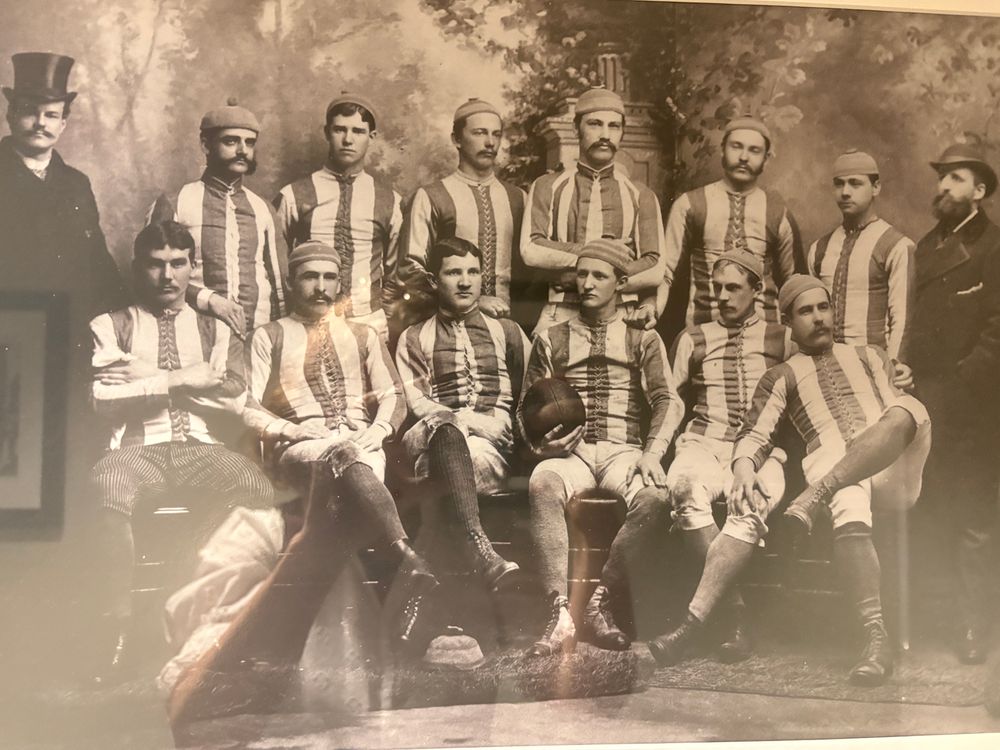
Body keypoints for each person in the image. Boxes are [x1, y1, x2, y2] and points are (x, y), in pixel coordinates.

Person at [654, 274, 931, 686]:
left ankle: (816, 494)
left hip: (894, 470)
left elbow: (900, 414)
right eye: (806, 311)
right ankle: (876, 637)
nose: (818, 318)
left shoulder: (872, 355)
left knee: (908, 406)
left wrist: (904, 379)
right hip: (836, 469)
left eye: (824, 308)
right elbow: (754, 434)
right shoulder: (781, 375)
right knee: (842, 482)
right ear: (788, 321)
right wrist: (744, 466)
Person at [88, 221, 274, 678]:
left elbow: (233, 397)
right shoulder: (110, 324)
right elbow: (103, 400)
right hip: (135, 452)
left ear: (192, 268)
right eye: (155, 265)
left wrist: (142, 377)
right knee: (106, 484)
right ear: (138, 269)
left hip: (201, 447)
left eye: (177, 264)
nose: (167, 277)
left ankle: (195, 607)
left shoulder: (215, 329)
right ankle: (115, 630)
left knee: (254, 486)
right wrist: (182, 377)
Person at [243, 239, 438, 654]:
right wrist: (290, 431)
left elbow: (394, 394)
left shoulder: (363, 335)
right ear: (292, 282)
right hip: (303, 448)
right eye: (310, 276)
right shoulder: (270, 335)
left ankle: (289, 637)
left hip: (362, 444)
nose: (320, 287)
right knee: (342, 467)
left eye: (329, 277)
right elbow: (246, 404)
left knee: (336, 512)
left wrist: (381, 429)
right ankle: (405, 559)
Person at [520, 238, 682, 656]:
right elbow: (527, 405)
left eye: (599, 275)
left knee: (655, 496)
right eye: (582, 274)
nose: (587, 283)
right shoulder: (551, 337)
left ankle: (596, 600)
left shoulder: (642, 339)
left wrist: (651, 453)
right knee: (542, 483)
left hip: (622, 449)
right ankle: (559, 614)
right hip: (569, 453)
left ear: (622, 282)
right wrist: (542, 445)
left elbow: (667, 400)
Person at [656, 250, 793, 664]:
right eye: (717, 288)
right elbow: (670, 399)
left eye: (734, 287)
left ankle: (697, 620)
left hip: (761, 450)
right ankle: (733, 611)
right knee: (683, 488)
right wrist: (655, 450)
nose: (723, 296)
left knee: (749, 504)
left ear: (757, 290)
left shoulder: (782, 336)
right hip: (703, 441)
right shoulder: (693, 337)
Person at [908, 143, 1000, 664]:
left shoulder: (994, 246)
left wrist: (965, 381)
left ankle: (972, 625)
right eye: (941, 177)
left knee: (973, 518)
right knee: (931, 507)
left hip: (975, 405)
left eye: (956, 178)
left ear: (979, 191)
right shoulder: (924, 246)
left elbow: (998, 329)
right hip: (925, 397)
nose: (943, 187)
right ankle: (934, 615)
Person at [395, 237, 530, 590]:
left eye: (473, 271)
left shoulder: (508, 332)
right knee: (445, 433)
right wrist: (468, 420)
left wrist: (504, 426)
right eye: (454, 272)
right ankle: (482, 555)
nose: (466, 281)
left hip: (490, 450)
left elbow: (527, 392)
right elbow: (418, 402)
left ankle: (434, 596)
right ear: (434, 281)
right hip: (429, 435)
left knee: (443, 476)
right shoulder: (413, 336)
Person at [520, 87, 665, 335]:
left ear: (622, 133)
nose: (605, 135)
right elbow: (531, 249)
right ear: (577, 129)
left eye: (614, 126)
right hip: (561, 312)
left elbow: (655, 267)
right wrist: (606, 256)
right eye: (595, 124)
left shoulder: (641, 195)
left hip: (623, 316)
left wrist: (576, 278)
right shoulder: (547, 186)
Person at [148, 99, 286, 337]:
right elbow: (151, 274)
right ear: (206, 144)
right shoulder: (176, 201)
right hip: (193, 333)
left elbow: (280, 284)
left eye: (249, 143)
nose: (242, 150)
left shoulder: (263, 208)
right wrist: (209, 299)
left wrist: (278, 338)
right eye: (231, 141)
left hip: (258, 336)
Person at [274, 93, 403, 338]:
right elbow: (277, 262)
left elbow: (395, 269)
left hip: (369, 323)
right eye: (339, 130)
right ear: (327, 133)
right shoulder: (294, 194)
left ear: (371, 137)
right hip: (307, 324)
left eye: (358, 131)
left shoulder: (389, 200)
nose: (348, 139)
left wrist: (380, 311)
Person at [656, 116, 802, 327]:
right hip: (703, 330)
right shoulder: (689, 204)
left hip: (766, 336)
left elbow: (794, 284)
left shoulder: (778, 213)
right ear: (723, 150)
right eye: (736, 147)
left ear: (766, 159)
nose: (744, 157)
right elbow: (665, 273)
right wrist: (652, 313)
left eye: (754, 150)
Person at [396, 99, 526, 328]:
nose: (489, 142)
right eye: (479, 133)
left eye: (496, 134)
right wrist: (475, 300)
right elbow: (410, 269)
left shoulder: (518, 198)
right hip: (445, 326)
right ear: (456, 139)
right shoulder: (431, 197)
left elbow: (529, 272)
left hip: (509, 327)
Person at [807, 149, 915, 387]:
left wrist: (895, 366)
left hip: (875, 371)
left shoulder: (896, 246)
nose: (845, 192)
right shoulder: (819, 249)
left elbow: (902, 317)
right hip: (825, 369)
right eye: (839, 184)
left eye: (855, 184)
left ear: (876, 187)